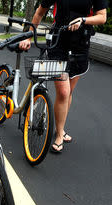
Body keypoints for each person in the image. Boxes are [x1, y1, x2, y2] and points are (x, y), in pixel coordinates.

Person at [19, 0, 107, 153]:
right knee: (64, 92)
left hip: (80, 44)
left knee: (69, 92)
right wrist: (27, 37)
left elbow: (102, 17)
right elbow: (40, 12)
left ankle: (61, 127)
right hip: (58, 43)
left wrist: (84, 20)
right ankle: (59, 135)